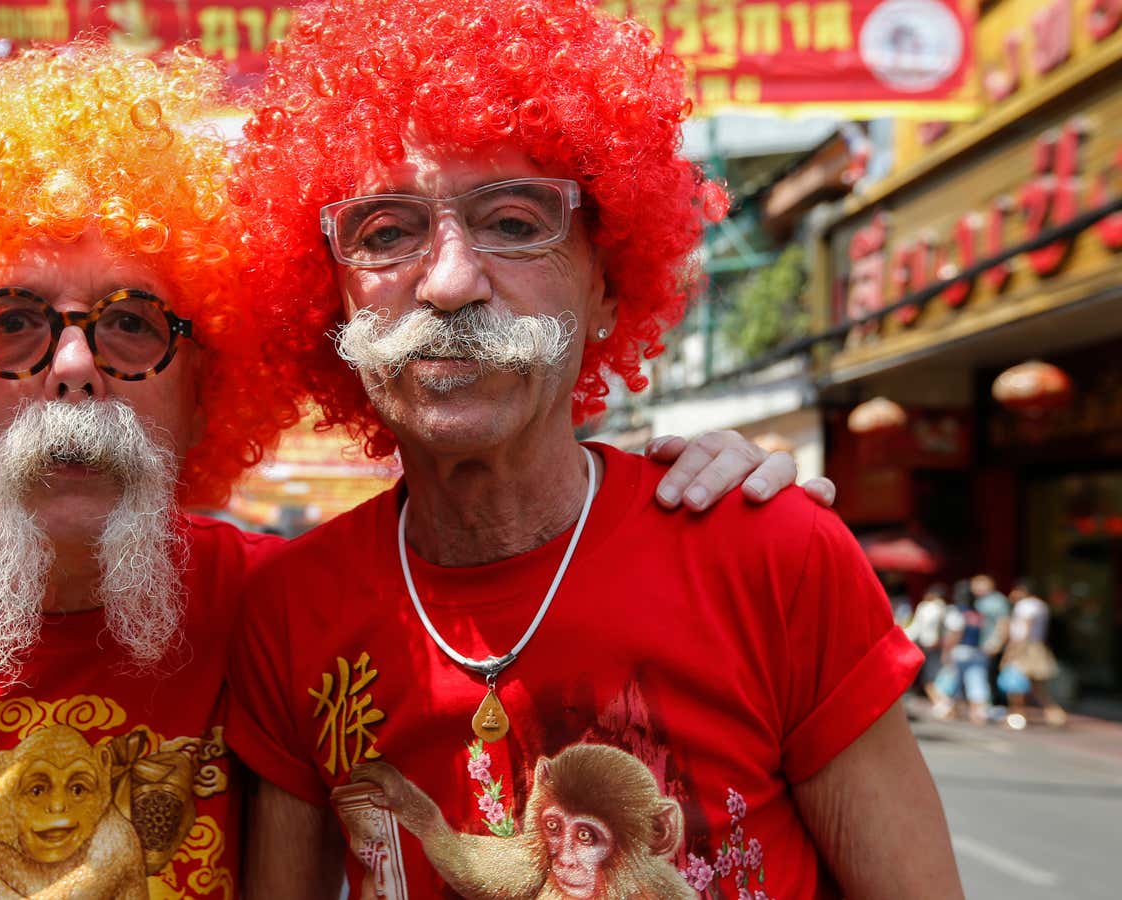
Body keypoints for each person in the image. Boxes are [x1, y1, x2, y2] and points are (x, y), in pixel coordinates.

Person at [0, 44, 816, 900]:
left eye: (133, 325)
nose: (71, 370)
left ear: (211, 374)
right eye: (9, 322)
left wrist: (688, 481)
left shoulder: (289, 612)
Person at [225, 2, 961, 897]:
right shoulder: (288, 610)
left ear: (608, 286)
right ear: (330, 300)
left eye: (512, 221)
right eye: (386, 233)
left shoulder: (772, 550)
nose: (450, 281)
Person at [1000, 580, 1066, 730]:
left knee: (1015, 682)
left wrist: (1013, 650)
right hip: (1037, 647)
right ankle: (1054, 713)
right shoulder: (1041, 605)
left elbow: (1025, 628)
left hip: (1025, 648)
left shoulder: (1025, 606)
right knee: (1037, 685)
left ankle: (1018, 715)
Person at [934, 581, 991, 723]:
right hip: (976, 651)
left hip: (959, 651)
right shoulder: (977, 614)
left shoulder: (957, 611)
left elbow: (955, 633)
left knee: (950, 682)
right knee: (976, 682)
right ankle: (978, 713)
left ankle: (948, 709)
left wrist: (946, 651)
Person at [908, 582, 950, 700]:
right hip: (935, 646)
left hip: (927, 645)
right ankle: (942, 702)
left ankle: (941, 703)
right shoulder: (945, 608)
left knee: (929, 676)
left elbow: (917, 628)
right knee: (935, 674)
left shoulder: (927, 607)